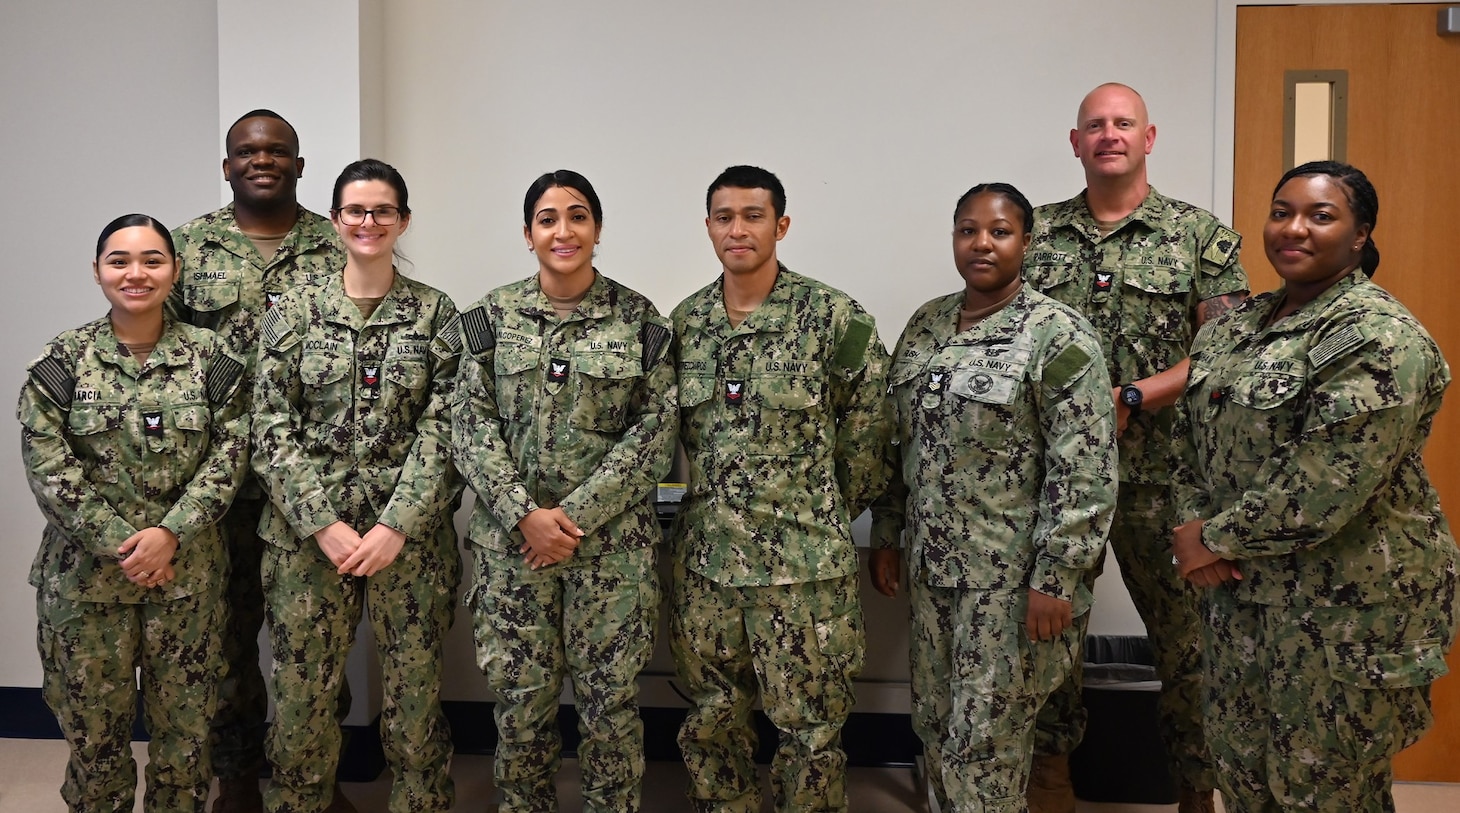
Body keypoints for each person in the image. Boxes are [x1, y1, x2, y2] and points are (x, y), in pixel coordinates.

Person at [1171, 161, 1459, 812]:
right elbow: (1188, 444)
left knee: (1324, 794)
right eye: (1281, 211)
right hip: (1242, 611)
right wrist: (1191, 525)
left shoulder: (1376, 336)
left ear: (1360, 234)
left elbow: (1325, 484)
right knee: (1245, 781)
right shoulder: (1229, 330)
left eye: (1320, 215)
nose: (1293, 227)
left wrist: (1211, 538)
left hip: (1341, 616)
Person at [1021, 82, 1249, 813]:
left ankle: (1196, 788)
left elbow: (1225, 350)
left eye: (1124, 123)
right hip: (1055, 479)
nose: (1110, 134)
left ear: (1149, 138)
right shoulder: (1034, 234)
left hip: (1167, 478)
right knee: (1048, 636)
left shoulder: (1200, 236)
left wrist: (1129, 396)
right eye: (1096, 124)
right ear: (1075, 141)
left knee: (1190, 646)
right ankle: (1051, 782)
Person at [869, 183, 1118, 813]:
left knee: (988, 743)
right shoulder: (926, 324)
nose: (982, 243)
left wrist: (1057, 577)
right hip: (933, 575)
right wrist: (888, 535)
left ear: (1026, 242)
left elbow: (1085, 468)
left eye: (1000, 231)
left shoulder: (1057, 336)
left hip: (1009, 584)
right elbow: (899, 442)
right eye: (967, 230)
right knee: (935, 724)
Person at [452, 170, 677, 812]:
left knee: (611, 708)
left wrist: (567, 520)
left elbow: (655, 434)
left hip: (609, 555)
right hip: (512, 550)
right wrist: (526, 518)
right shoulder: (488, 320)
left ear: (598, 230)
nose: (563, 231)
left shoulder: (641, 323)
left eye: (577, 216)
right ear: (528, 235)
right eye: (547, 219)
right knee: (521, 705)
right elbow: (469, 425)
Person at [669, 165, 890, 812]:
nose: (738, 229)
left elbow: (871, 433)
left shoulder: (833, 319)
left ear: (781, 225)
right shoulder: (684, 327)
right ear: (708, 226)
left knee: (813, 733)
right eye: (724, 216)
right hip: (707, 569)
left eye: (753, 215)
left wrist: (815, 507)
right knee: (710, 725)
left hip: (804, 574)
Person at [252, 159, 462, 813]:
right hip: (307, 541)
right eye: (355, 210)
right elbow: (268, 425)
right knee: (300, 700)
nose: (369, 222)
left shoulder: (435, 313)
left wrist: (396, 523)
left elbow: (448, 427)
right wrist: (324, 523)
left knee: (417, 696)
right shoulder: (292, 311)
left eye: (382, 211)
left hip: (411, 542)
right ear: (337, 219)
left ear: (403, 220)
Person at [20, 214, 249, 812]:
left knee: (186, 746)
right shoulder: (63, 360)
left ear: (174, 271)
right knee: (95, 747)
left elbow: (232, 454)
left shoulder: (213, 359)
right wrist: (127, 543)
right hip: (86, 588)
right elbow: (48, 465)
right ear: (97, 271)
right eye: (119, 260)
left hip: (187, 584)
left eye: (152, 259)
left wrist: (169, 535)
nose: (136, 273)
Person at [169, 108, 349, 813]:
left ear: (301, 166)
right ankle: (237, 778)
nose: (262, 160)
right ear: (227, 165)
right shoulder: (187, 248)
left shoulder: (337, 248)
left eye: (277, 151)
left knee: (316, 643)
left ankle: (315, 780)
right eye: (247, 151)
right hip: (219, 486)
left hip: (312, 485)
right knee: (224, 640)